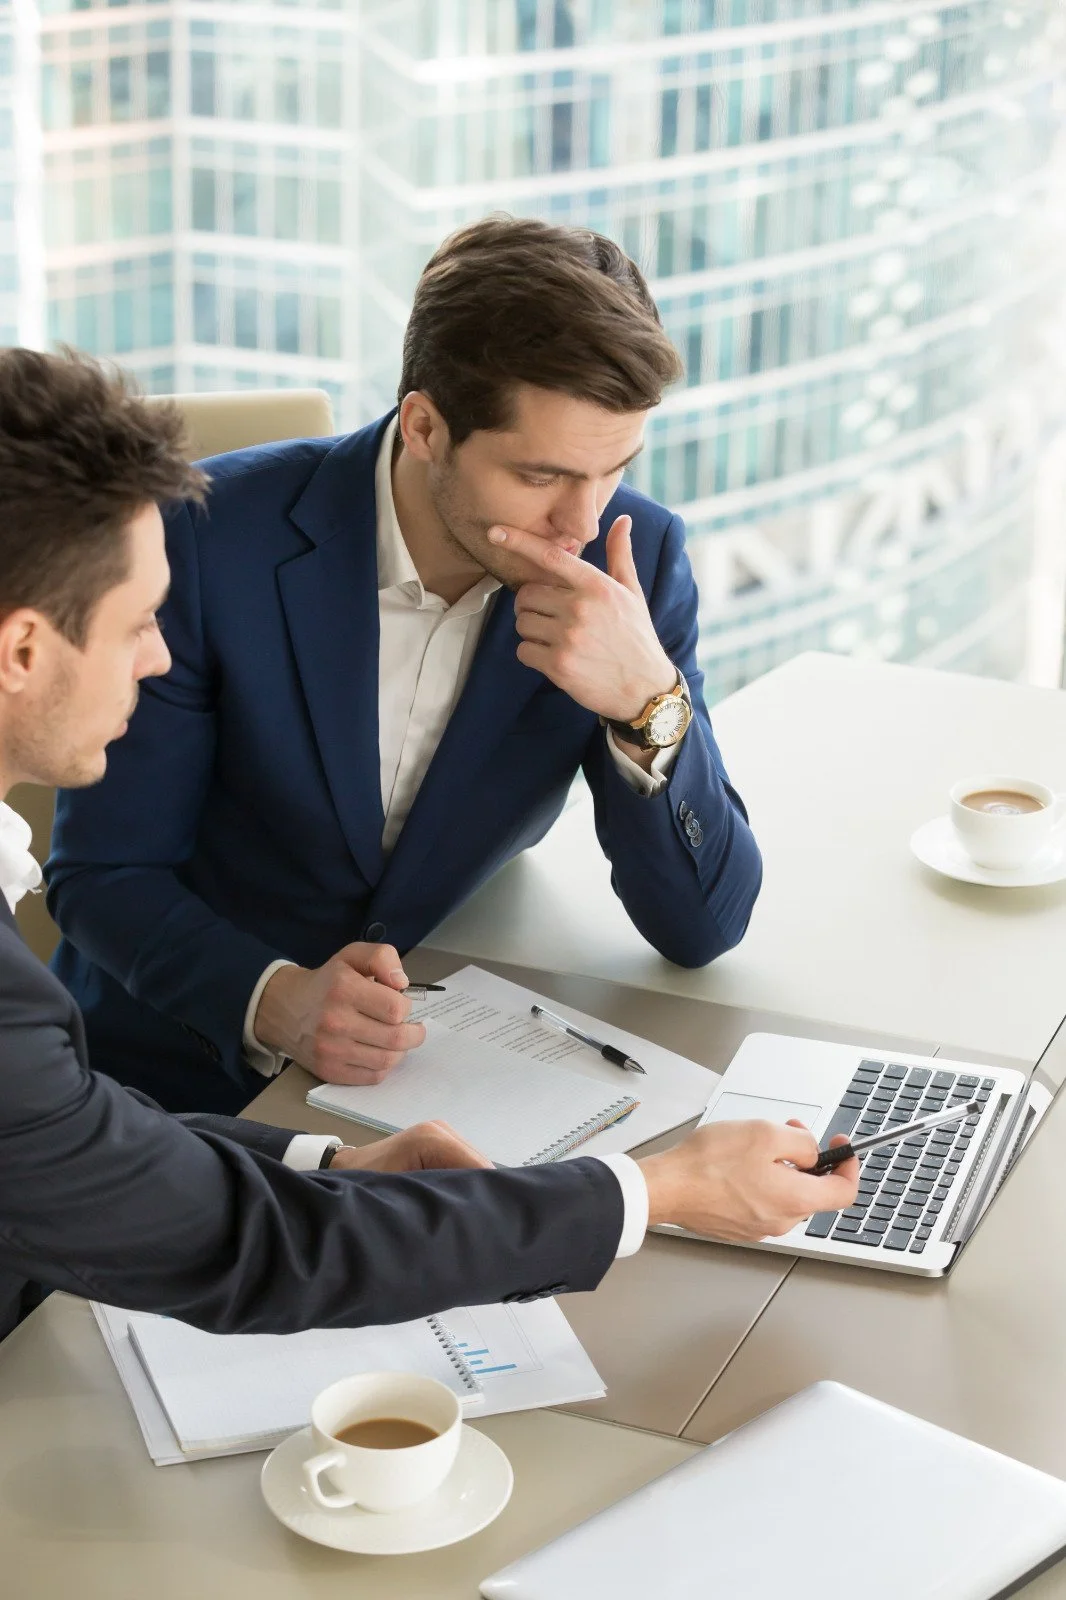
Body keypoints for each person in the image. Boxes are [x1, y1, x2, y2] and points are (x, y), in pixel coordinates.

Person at [0, 346, 856, 1344]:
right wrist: (654, 1188)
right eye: (139, 623)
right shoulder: (215, 538)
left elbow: (79, 1146)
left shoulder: (628, 566)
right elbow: (240, 1241)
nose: (156, 658)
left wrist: (326, 1168)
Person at [47, 215, 763, 1117]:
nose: (580, 524)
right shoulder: (199, 542)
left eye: (615, 468)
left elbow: (704, 929)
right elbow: (102, 873)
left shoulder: (635, 562)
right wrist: (274, 999)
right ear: (425, 426)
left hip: (441, 1080)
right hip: (168, 1087)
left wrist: (647, 705)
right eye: (540, 477)